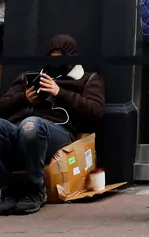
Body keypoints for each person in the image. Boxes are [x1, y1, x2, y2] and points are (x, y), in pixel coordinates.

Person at [0, 34, 103, 215]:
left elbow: (95, 111)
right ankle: (8, 188)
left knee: (31, 125)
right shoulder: (29, 77)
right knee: (25, 125)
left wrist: (60, 92)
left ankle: (35, 190)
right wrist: (24, 98)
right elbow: (3, 105)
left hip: (58, 130)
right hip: (18, 128)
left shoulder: (87, 79)